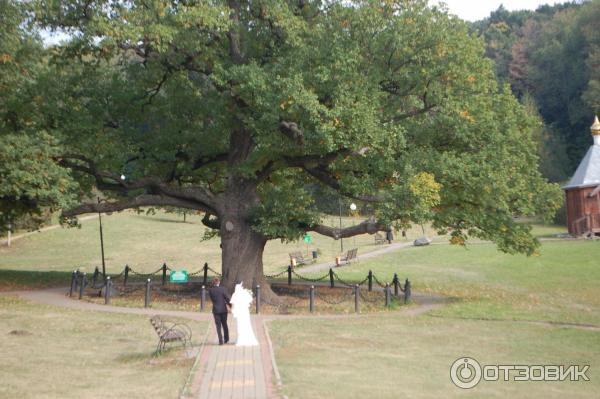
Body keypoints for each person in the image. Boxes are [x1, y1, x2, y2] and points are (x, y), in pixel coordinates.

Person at [230, 282, 258, 346]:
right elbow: (250, 301)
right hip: (245, 312)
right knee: (247, 325)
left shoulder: (235, 294)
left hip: (240, 312)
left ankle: (241, 339)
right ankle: (246, 338)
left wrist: (232, 310)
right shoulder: (245, 293)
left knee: (240, 325)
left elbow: (233, 304)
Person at [208, 277, 231, 345]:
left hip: (216, 310)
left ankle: (220, 341)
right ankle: (226, 339)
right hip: (223, 310)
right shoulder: (223, 289)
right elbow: (227, 298)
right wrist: (230, 306)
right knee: (224, 324)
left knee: (218, 326)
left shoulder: (210, 290)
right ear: (219, 282)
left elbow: (212, 299)